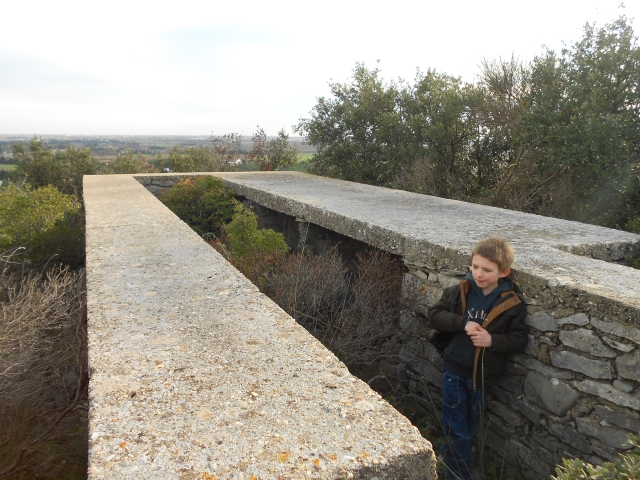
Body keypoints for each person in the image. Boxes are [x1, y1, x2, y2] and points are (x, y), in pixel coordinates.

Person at [428, 238, 528, 480]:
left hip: (482, 377)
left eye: (486, 270)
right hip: (453, 370)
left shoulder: (512, 303)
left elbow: (519, 339)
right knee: (457, 429)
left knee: (467, 427)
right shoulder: (460, 291)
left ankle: (446, 458)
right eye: (475, 267)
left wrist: (491, 341)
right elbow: (435, 315)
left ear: (504, 272)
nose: (478, 274)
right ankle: (457, 475)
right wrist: (463, 323)